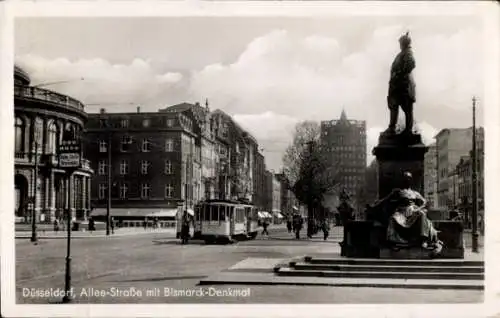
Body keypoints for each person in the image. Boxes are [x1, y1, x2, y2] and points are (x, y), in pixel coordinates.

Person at [369, 171, 443, 256]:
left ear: (411, 181)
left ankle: (423, 240)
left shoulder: (415, 193)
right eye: (405, 179)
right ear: (402, 181)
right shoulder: (397, 191)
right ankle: (394, 241)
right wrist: (374, 206)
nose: (407, 181)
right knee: (393, 218)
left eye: (408, 179)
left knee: (421, 214)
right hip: (401, 212)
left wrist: (419, 208)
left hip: (413, 211)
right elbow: (384, 200)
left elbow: (425, 202)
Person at [385, 32, 416, 135]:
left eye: (401, 42)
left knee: (407, 108)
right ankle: (392, 128)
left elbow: (411, 64)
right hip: (396, 86)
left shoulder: (408, 52)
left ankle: (408, 129)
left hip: (404, 85)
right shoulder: (401, 53)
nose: (400, 44)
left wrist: (399, 74)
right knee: (393, 105)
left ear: (404, 43)